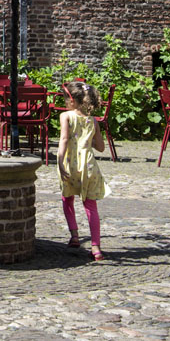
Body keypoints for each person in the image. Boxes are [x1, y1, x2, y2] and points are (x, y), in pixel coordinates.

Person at [57, 80, 110, 261]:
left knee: (67, 198)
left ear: (72, 101)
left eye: (65, 99)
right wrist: (89, 138)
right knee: (90, 206)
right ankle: (96, 247)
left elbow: (64, 139)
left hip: (70, 163)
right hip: (87, 165)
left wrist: (59, 160)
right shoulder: (92, 120)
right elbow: (101, 147)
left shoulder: (66, 116)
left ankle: (74, 235)